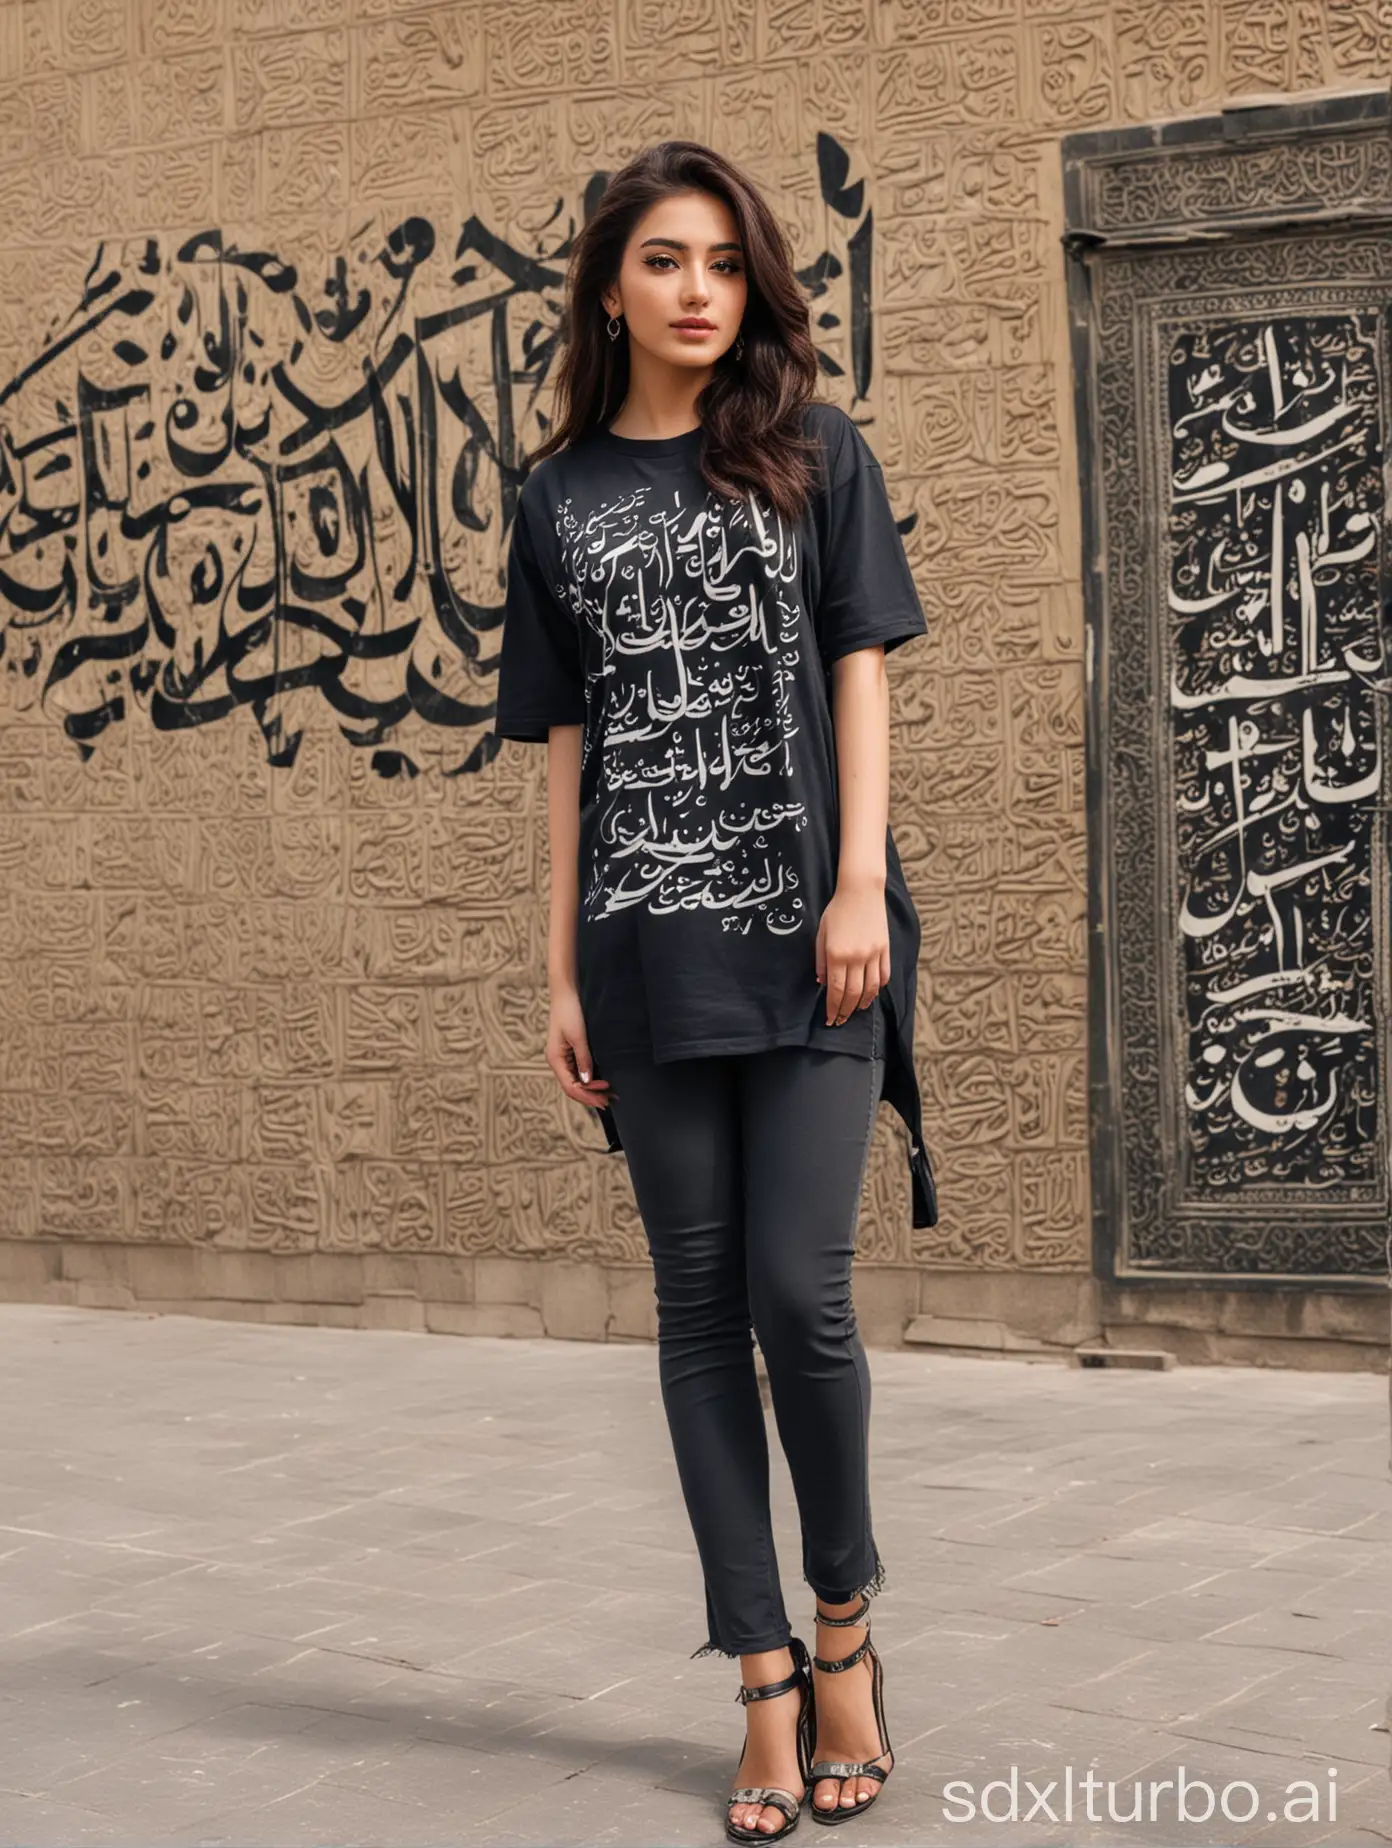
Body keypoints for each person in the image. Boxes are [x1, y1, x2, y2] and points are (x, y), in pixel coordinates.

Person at [493, 139, 936, 1841]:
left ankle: (844, 1634)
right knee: (693, 1315)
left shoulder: (814, 453)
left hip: (816, 937)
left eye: (726, 265)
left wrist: (854, 884)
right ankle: (757, 1670)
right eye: (666, 261)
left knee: (796, 1297)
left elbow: (862, 670)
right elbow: (567, 749)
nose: (699, 290)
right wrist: (557, 971)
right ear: (611, 285)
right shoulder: (558, 499)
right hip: (643, 951)